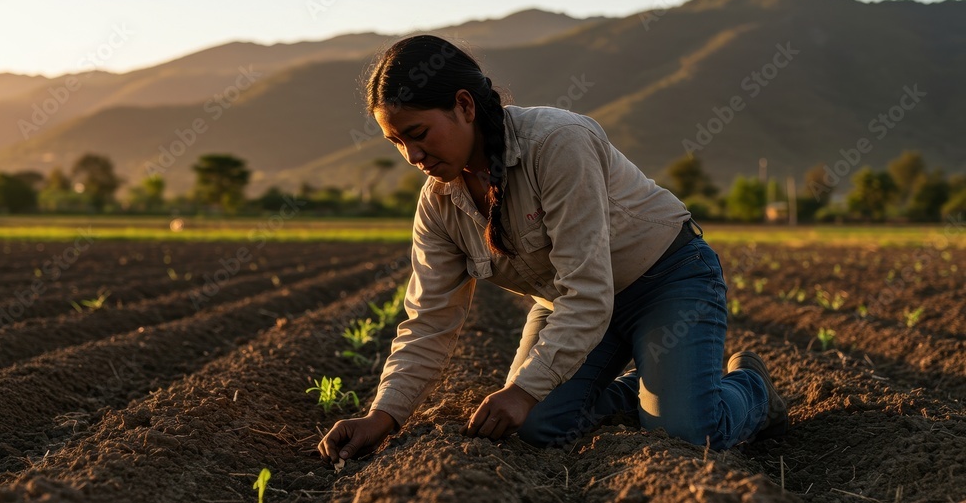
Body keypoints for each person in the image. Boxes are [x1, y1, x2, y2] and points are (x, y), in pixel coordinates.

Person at [317, 34, 788, 465]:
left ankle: (750, 387)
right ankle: (648, 391)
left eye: (418, 134)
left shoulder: (558, 143)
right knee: (537, 428)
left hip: (666, 281)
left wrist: (522, 390)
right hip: (569, 308)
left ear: (464, 106)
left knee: (691, 435)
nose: (413, 157)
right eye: (397, 143)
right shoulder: (439, 205)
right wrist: (383, 417)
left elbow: (589, 290)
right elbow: (430, 320)